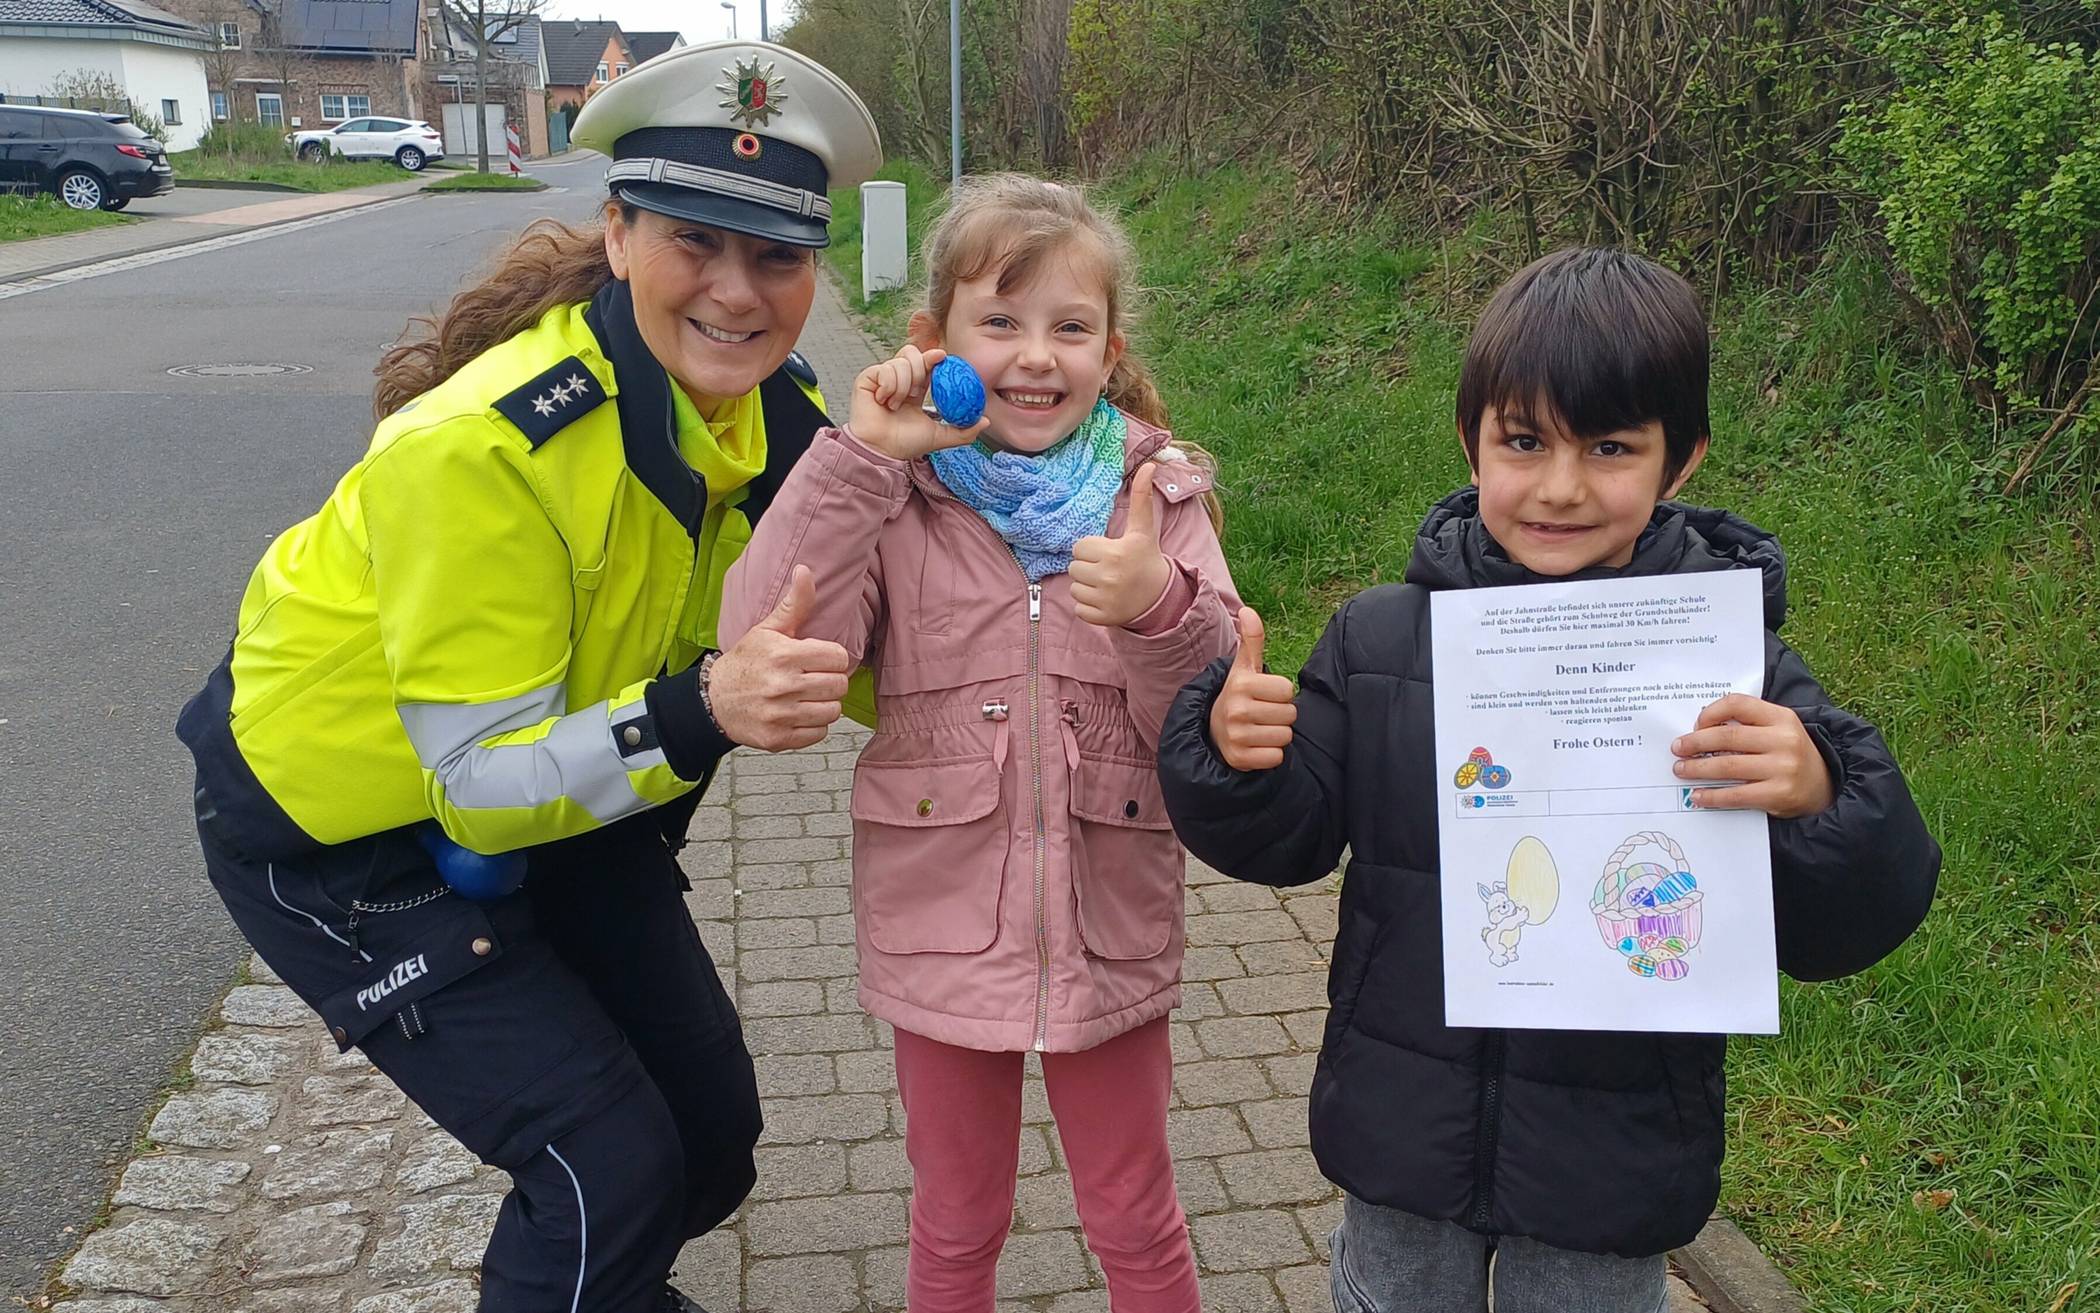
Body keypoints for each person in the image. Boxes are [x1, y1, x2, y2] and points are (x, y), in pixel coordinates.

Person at [175, 41, 882, 1312]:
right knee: (603, 1170)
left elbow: (881, 652)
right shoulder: (486, 451)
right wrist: (707, 707)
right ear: (617, 236)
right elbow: (480, 796)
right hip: (348, 831)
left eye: (776, 255)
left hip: (570, 770)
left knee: (708, 1141)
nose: (737, 291)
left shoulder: (782, 421)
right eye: (692, 241)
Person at [1156, 247, 1940, 1312]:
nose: (1561, 485)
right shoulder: (1386, 639)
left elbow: (1851, 917)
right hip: (1402, 1133)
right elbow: (1286, 838)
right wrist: (1231, 753)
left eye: (1611, 446)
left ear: (1682, 460)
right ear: (1472, 442)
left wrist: (1815, 797)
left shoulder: (1727, 668)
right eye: (1524, 441)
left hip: (1608, 1161)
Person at [719, 174, 1238, 1313]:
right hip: (942, 914)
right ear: (933, 342)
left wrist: (1157, 604)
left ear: (1110, 347)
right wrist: (860, 454)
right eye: (999, 323)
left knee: (1137, 1214)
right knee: (956, 1219)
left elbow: (1207, 714)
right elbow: (768, 629)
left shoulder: (1156, 492)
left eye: (1069, 327)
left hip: (1110, 915)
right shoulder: (894, 490)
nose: (1035, 357)